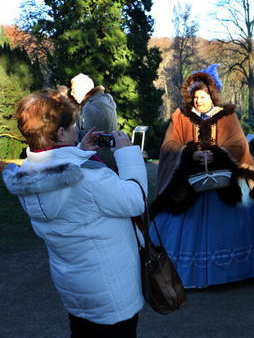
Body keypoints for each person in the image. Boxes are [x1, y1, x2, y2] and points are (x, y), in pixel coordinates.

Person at [2, 89, 147, 337]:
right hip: (110, 287)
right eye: (71, 127)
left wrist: (78, 149)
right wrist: (127, 153)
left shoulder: (28, 175)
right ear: (60, 134)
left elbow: (61, 177)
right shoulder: (87, 176)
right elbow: (136, 200)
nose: (76, 130)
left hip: (74, 285)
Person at [149, 66, 254, 288]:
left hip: (223, 184)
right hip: (188, 186)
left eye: (203, 97)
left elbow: (237, 144)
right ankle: (179, 272)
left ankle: (233, 271)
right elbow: (169, 145)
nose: (198, 101)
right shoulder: (180, 116)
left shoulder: (227, 116)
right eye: (195, 97)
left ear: (213, 96)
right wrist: (189, 153)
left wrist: (218, 154)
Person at [70, 73, 119, 171]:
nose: (71, 93)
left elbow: (88, 140)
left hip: (97, 163)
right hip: (107, 160)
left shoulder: (92, 107)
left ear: (82, 89)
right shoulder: (103, 101)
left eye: (73, 90)